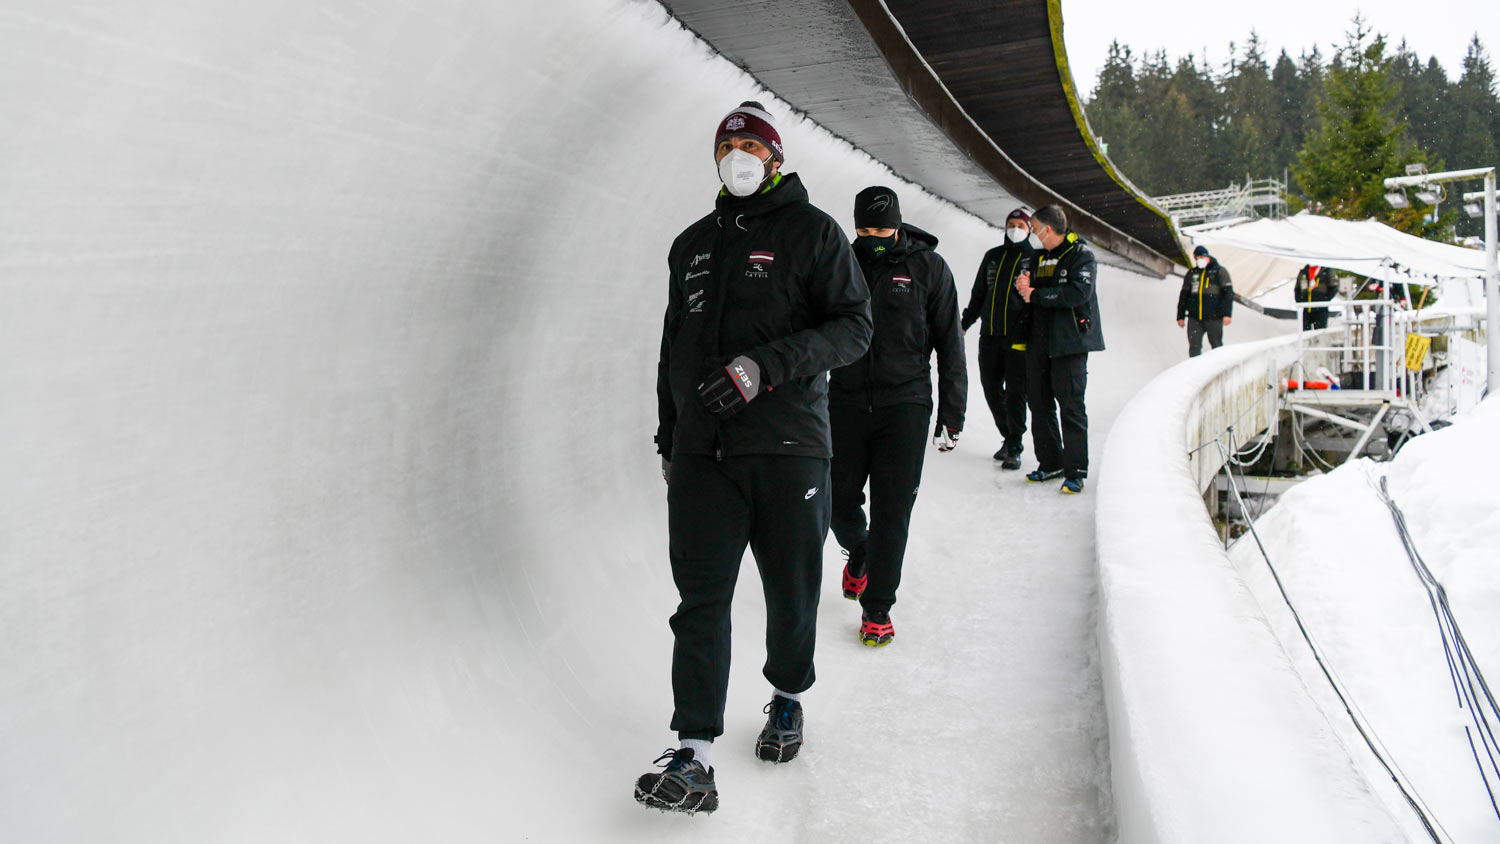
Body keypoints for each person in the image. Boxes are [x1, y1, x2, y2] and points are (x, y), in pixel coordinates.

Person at [636, 101, 873, 815]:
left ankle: (788, 697)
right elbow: (673, 347)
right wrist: (669, 433)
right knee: (700, 602)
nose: (737, 155)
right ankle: (695, 753)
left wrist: (763, 367)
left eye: (750, 144)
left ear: (773, 158)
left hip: (789, 448)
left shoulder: (814, 233)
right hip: (703, 455)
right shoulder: (692, 244)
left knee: (791, 590)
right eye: (726, 145)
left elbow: (854, 328)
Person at [828, 186, 966, 648]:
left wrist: (953, 412)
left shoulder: (928, 268)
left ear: (900, 223)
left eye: (883, 230)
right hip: (844, 400)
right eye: (865, 231)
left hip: (905, 404)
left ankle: (878, 608)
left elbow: (951, 344)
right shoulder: (840, 262)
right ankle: (862, 551)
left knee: (893, 510)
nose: (874, 239)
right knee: (834, 497)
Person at [1014, 205, 1104, 495]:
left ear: (1048, 229)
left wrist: (1036, 293)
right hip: (1038, 341)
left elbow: (1079, 293)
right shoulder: (1038, 256)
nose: (1034, 235)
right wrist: (1023, 281)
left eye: (1036, 229)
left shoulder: (1082, 255)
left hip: (1069, 344)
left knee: (1071, 407)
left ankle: (1076, 470)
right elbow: (1026, 279)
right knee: (1039, 405)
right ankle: (1050, 461)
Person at [962, 208, 1037, 469]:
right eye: (1011, 224)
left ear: (1029, 229)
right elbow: (979, 293)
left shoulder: (1034, 259)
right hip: (990, 335)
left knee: (1017, 392)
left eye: (1020, 224)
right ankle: (1008, 435)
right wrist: (965, 323)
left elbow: (1035, 300)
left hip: (1018, 338)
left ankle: (1015, 445)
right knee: (991, 388)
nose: (1015, 228)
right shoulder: (993, 256)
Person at [1176, 245, 1234, 356]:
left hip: (1214, 317)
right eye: (1197, 258)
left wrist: (1227, 314)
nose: (1200, 260)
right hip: (1195, 317)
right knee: (1194, 347)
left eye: (1202, 257)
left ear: (1207, 257)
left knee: (1216, 346)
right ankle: (1195, 369)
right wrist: (1180, 316)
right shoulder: (1192, 273)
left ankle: (1218, 367)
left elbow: (1228, 294)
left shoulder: (1219, 271)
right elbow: (1184, 295)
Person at [1294, 264, 1338, 330]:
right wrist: (1300, 300)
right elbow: (1297, 289)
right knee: (1306, 333)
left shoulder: (1326, 271)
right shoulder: (1304, 272)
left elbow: (1333, 287)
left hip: (1320, 309)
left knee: (1320, 332)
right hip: (1306, 308)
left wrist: (1324, 299)